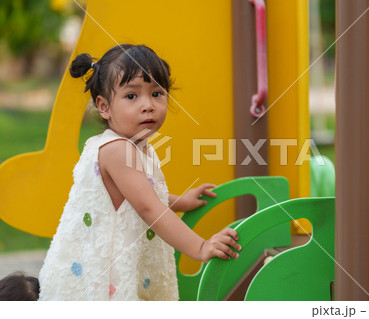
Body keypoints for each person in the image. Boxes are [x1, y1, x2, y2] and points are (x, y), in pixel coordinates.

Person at [38, 44, 241, 301]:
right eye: (132, 96)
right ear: (104, 107)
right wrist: (200, 247)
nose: (148, 105)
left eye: (157, 93)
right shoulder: (117, 150)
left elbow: (137, 197)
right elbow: (148, 208)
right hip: (100, 278)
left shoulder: (139, 146)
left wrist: (180, 201)